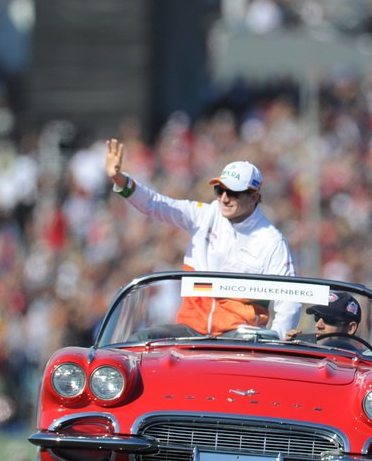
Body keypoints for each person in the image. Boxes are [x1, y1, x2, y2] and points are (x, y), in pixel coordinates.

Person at [104, 140, 300, 337]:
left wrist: (278, 339)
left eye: (233, 193)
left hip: (239, 336)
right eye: (219, 190)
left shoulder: (271, 240)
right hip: (192, 329)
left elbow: (289, 298)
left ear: (254, 196)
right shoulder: (205, 215)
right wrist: (121, 180)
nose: (223, 198)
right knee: (140, 339)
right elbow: (155, 204)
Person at [286, 291, 362, 341]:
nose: (318, 325)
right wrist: (289, 349)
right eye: (317, 316)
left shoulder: (362, 362)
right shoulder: (303, 347)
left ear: (350, 328)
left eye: (328, 318)